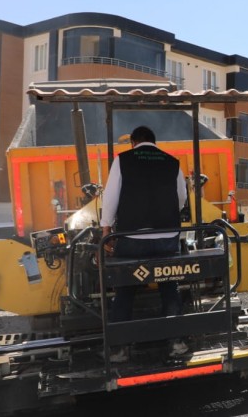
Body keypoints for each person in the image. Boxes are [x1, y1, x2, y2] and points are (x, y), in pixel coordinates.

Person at [100, 125, 188, 361]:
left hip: (132, 238)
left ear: (133, 143)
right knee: (169, 285)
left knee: (125, 287)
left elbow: (111, 197)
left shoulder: (123, 160)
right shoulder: (172, 162)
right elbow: (181, 199)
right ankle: (175, 343)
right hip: (166, 237)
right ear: (154, 142)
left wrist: (106, 228)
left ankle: (120, 349)